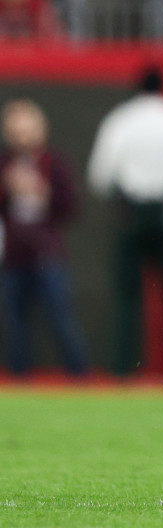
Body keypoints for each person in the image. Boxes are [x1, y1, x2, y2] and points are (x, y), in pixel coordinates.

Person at [86, 67, 163, 376]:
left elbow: (100, 176)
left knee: (128, 297)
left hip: (132, 216)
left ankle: (124, 369)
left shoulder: (121, 121)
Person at [0, 97, 88, 377]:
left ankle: (80, 377)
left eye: (28, 129)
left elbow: (70, 206)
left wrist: (43, 192)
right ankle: (19, 381)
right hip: (12, 256)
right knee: (15, 325)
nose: (23, 137)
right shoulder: (4, 165)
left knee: (61, 319)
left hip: (47, 255)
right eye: (17, 130)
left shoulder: (55, 163)